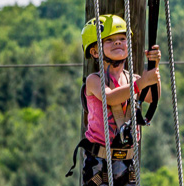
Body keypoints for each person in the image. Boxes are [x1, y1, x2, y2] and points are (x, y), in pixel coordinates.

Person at [68, 14, 161, 185]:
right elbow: (109, 97)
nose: (117, 42)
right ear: (95, 51)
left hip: (126, 162)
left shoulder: (134, 79)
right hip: (98, 162)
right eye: (109, 40)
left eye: (122, 38)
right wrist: (142, 82)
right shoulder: (94, 80)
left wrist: (154, 71)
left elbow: (151, 97)